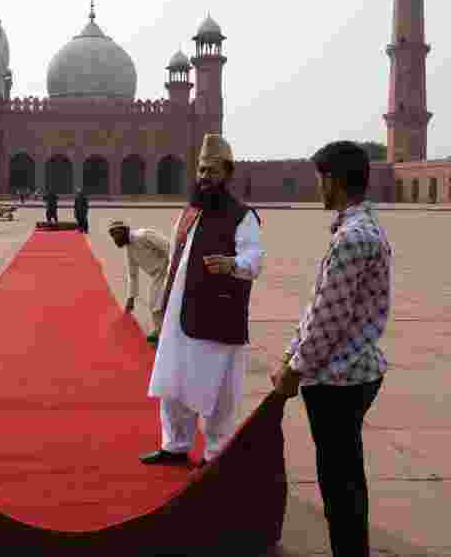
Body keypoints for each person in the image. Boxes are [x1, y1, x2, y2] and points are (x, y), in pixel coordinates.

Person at [271, 140, 391, 557]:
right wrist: (292, 350)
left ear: (336, 182)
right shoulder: (358, 228)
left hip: (341, 377)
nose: (317, 188)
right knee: (344, 478)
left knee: (341, 485)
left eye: (321, 179)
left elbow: (329, 316)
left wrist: (295, 366)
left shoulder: (353, 237)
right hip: (350, 371)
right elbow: (322, 303)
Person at [141, 133, 264, 468]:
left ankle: (216, 454)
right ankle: (175, 446)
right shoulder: (190, 213)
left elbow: (254, 259)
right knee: (173, 383)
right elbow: (175, 261)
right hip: (179, 313)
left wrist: (232, 264)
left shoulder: (243, 216)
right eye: (200, 169)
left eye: (211, 170)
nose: (204, 177)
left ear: (227, 172)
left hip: (217, 314)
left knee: (218, 391)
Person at [108, 220, 170, 343]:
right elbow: (133, 275)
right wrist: (131, 297)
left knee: (155, 302)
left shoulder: (143, 235)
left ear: (124, 231)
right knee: (157, 303)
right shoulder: (129, 250)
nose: (114, 238)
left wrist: (174, 267)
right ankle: (162, 331)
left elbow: (167, 246)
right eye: (112, 235)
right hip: (157, 276)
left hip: (167, 269)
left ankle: (161, 332)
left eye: (116, 234)